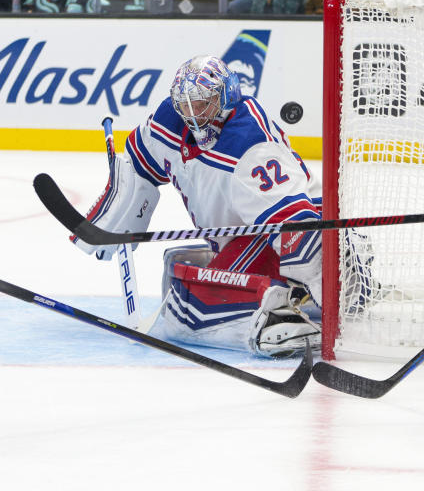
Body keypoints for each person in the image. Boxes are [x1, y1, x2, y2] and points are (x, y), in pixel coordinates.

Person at [69, 56, 348, 356]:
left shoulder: (249, 144)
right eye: (185, 104)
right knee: (178, 274)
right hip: (248, 236)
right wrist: (108, 226)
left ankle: (281, 325)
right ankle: (286, 303)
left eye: (203, 103)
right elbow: (137, 168)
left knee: (193, 310)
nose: (193, 114)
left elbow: (298, 229)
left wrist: (337, 307)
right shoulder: (169, 121)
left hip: (302, 235)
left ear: (226, 97)